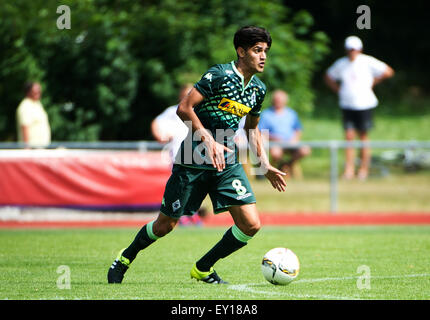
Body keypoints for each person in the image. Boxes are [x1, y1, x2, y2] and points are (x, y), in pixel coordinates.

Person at [107, 26, 287, 284]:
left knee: (251, 224)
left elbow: (252, 129)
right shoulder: (219, 75)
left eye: (265, 51)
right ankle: (125, 257)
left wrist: (264, 164)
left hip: (227, 161)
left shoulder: (258, 88)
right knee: (165, 225)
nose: (263, 56)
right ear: (241, 51)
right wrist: (208, 140)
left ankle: (203, 268)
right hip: (193, 158)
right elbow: (184, 108)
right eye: (257, 50)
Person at [324, 36, 394, 180]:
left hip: (364, 104)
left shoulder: (367, 61)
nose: (352, 52)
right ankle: (349, 170)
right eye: (349, 49)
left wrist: (373, 82)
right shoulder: (341, 64)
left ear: (359, 49)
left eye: (354, 49)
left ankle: (363, 169)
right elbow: (328, 77)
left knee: (363, 137)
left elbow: (388, 71)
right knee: (349, 137)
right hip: (347, 104)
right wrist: (339, 90)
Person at [258, 89, 311, 178]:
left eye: (281, 100)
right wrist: (272, 138)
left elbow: (298, 129)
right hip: (275, 143)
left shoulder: (291, 113)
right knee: (276, 153)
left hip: (290, 142)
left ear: (285, 101)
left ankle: (286, 165)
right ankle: (273, 170)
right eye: (277, 99)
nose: (279, 101)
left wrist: (295, 139)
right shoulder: (266, 114)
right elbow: (260, 132)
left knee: (305, 150)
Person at [150, 84, 193, 162]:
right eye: (185, 95)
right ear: (181, 96)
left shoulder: (200, 110)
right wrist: (160, 136)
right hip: (177, 156)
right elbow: (156, 122)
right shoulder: (173, 111)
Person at [16, 82, 51, 148]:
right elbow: (25, 126)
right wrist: (27, 148)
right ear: (28, 92)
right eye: (36, 90)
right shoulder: (25, 106)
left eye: (39, 90)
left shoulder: (37, 104)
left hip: (40, 149)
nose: (39, 92)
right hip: (32, 149)